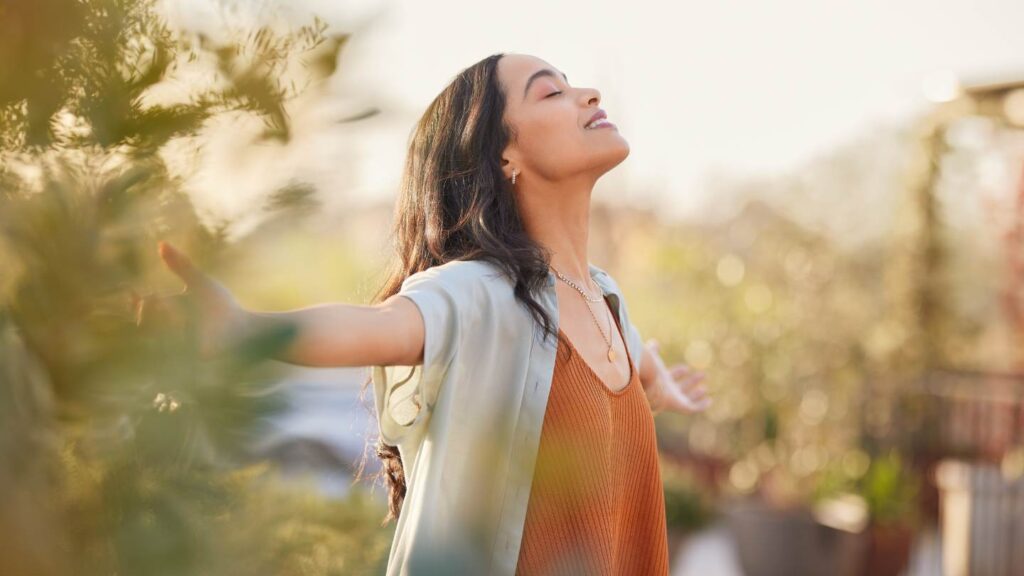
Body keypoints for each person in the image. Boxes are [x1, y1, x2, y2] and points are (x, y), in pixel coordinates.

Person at [138, 52, 712, 576]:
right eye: (551, 92)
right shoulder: (480, 293)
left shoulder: (605, 300)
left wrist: (653, 383)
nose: (588, 94)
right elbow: (380, 326)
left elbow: (621, 365)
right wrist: (245, 330)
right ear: (504, 155)